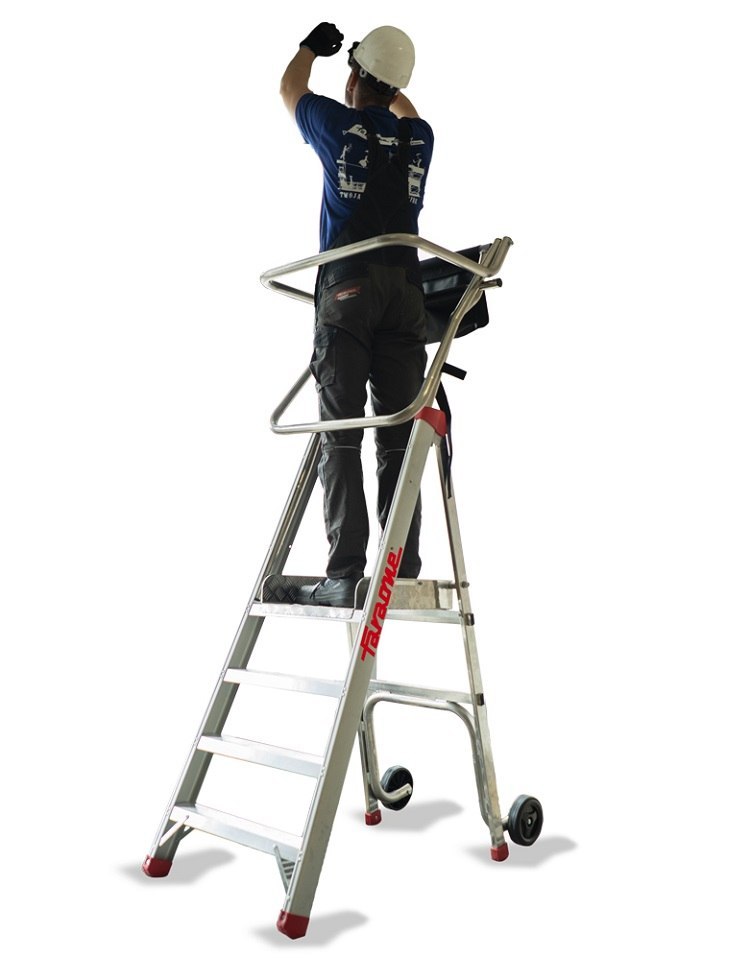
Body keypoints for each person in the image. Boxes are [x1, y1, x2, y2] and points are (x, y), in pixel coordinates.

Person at [280, 23, 434, 607]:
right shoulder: (419, 138)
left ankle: (344, 574)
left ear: (354, 78)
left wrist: (308, 49)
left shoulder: (338, 125)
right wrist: (385, 79)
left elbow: (290, 90)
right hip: (406, 293)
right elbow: (407, 112)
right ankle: (400, 568)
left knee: (341, 432)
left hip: (349, 290)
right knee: (398, 433)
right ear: (395, 86)